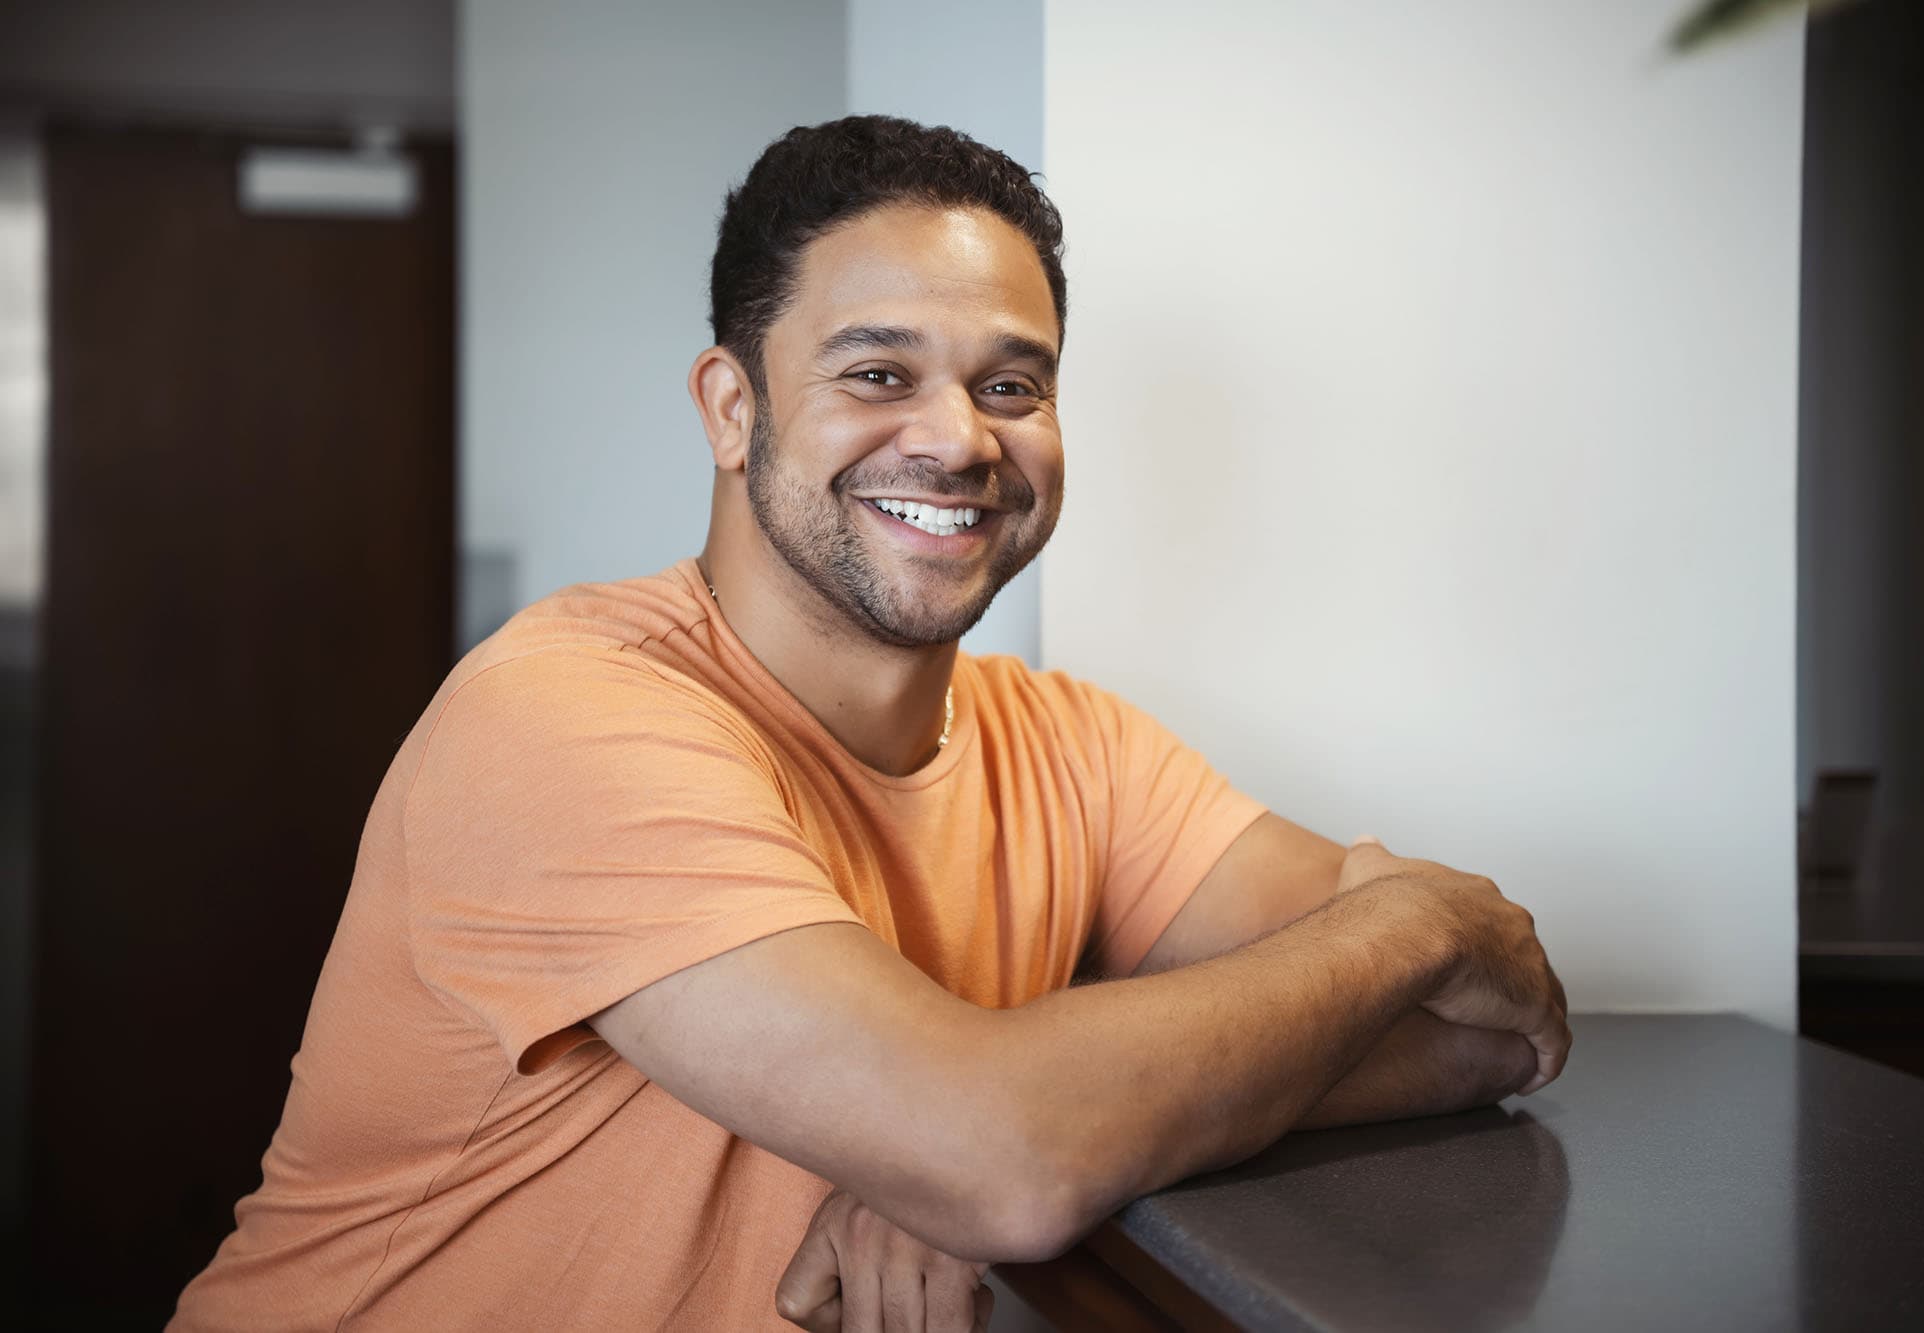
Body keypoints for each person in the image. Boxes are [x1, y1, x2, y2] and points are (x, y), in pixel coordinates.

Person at [172, 115, 1569, 1332]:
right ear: (734, 408)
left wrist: (1027, 1128)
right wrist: (1409, 922)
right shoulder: (561, 718)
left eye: (1011, 384)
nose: (960, 439)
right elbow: (1010, 1153)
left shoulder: (1073, 744)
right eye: (878, 373)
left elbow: (1492, 1032)